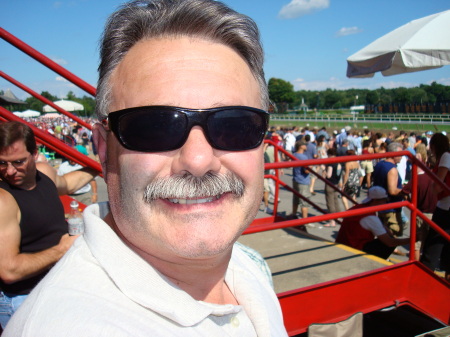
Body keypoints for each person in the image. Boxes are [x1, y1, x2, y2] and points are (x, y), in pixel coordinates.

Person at [4, 1, 288, 335]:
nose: (198, 161)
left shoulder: (248, 266)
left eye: (235, 124)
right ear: (102, 148)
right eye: (155, 127)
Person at [0, 121, 97, 329]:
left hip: (54, 287)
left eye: (18, 162)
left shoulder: (44, 173)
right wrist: (61, 249)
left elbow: (68, 183)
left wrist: (98, 165)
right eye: (2, 163)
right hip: (23, 299)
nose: (9, 171)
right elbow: (8, 271)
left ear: (34, 154)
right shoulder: (3, 200)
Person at [336, 186, 411, 259]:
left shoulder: (358, 207)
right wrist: (411, 240)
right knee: (387, 244)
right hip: (355, 250)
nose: (386, 202)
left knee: (385, 239)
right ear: (376, 201)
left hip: (343, 245)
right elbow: (390, 242)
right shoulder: (370, 218)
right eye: (384, 200)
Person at [420, 133, 450, 281]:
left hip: (445, 206)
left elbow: (438, 185)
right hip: (446, 205)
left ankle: (423, 280)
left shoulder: (445, 156)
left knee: (433, 246)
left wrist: (433, 185)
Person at [372, 142, 406, 237]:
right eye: (400, 154)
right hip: (391, 208)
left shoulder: (380, 164)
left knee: (383, 233)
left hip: (381, 205)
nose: (402, 156)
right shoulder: (392, 169)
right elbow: (392, 190)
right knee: (393, 233)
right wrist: (406, 191)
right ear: (393, 154)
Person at [290, 140, 311, 219]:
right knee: (304, 201)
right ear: (301, 146)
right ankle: (305, 220)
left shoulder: (294, 155)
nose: (306, 146)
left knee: (296, 199)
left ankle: (294, 214)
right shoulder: (304, 157)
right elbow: (306, 170)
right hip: (303, 181)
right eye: (304, 145)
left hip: (296, 179)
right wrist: (311, 167)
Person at [324, 148, 344, 227]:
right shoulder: (338, 163)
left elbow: (329, 175)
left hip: (329, 184)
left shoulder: (331, 164)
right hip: (336, 184)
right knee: (336, 201)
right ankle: (338, 217)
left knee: (330, 203)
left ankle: (332, 220)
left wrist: (324, 171)